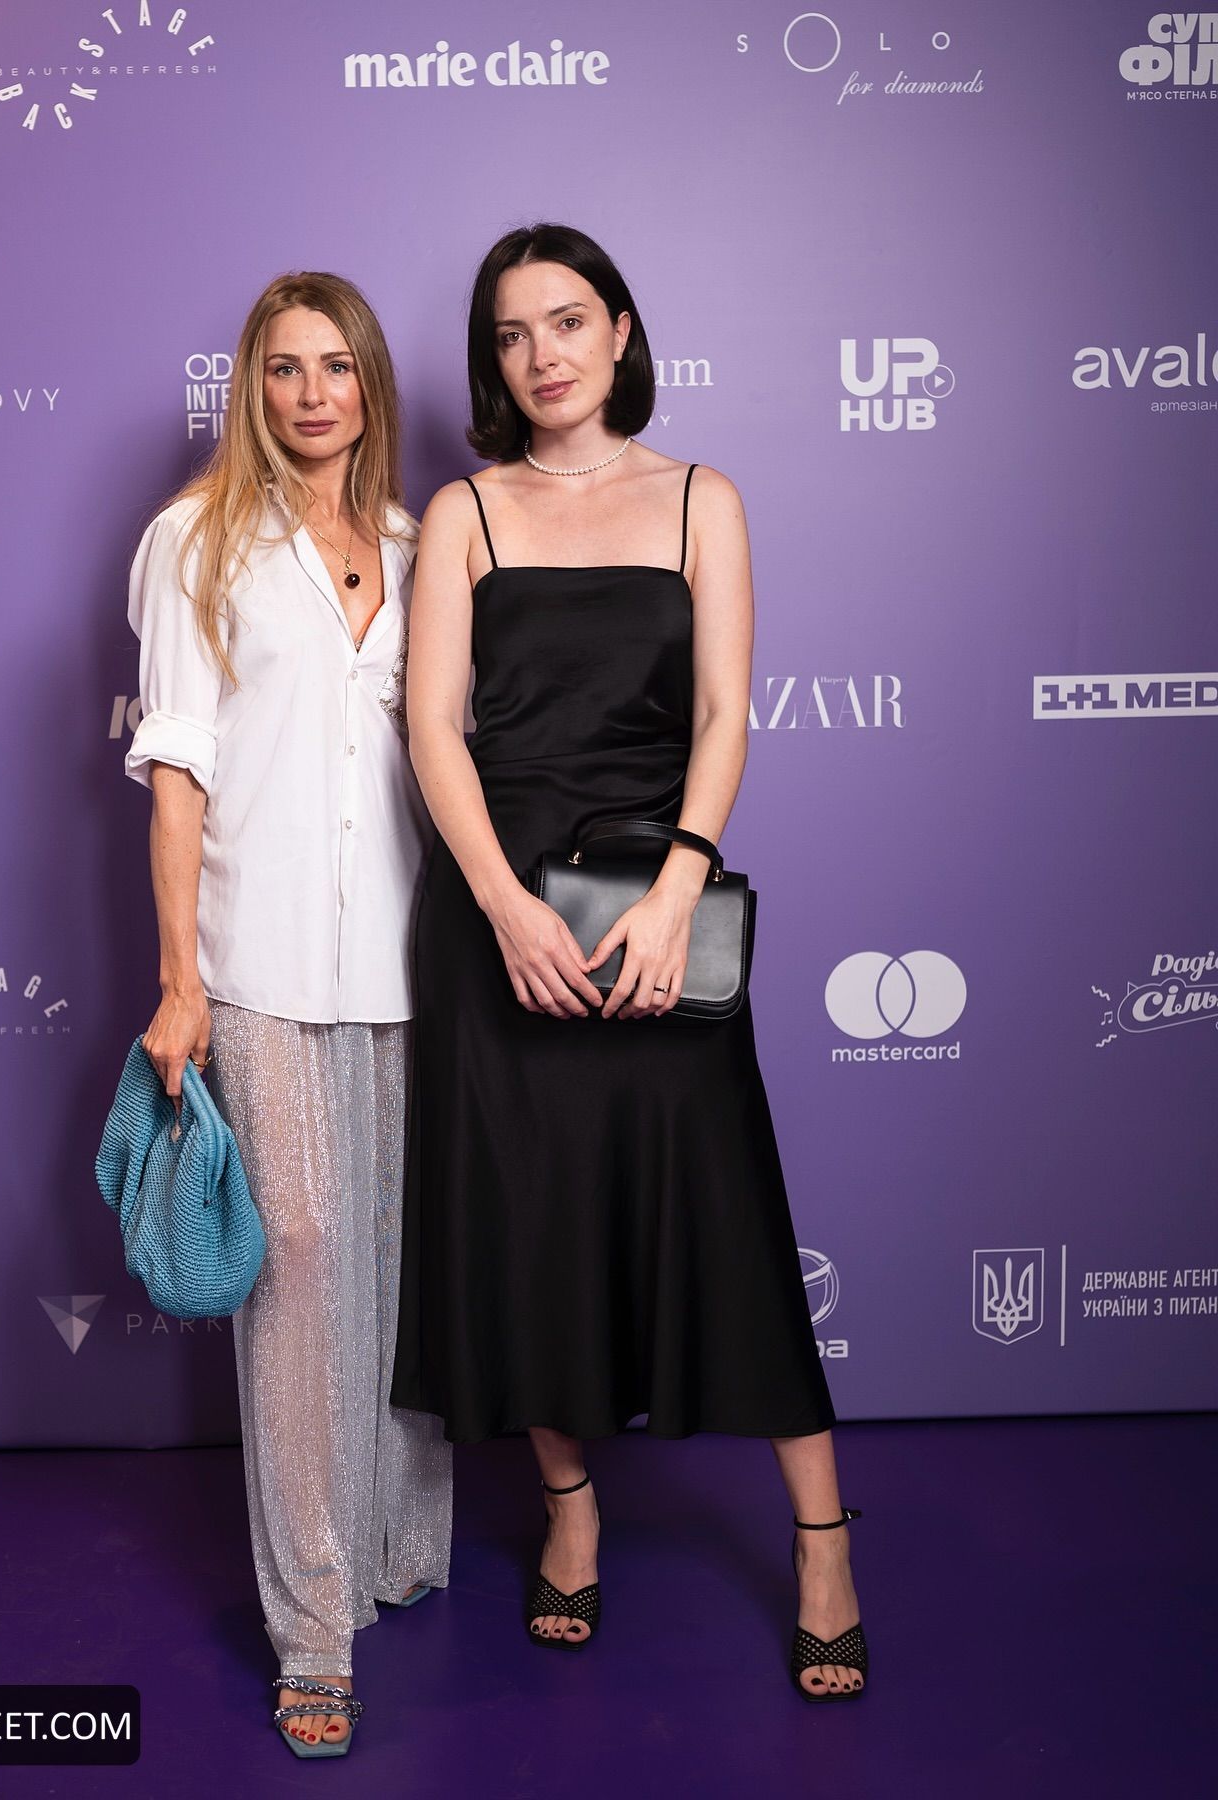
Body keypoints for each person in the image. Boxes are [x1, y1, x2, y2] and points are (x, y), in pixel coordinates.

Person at [391, 224, 868, 1701]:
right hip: (500, 916)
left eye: (567, 320)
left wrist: (676, 890)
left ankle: (825, 1545)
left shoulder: (702, 498)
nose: (542, 354)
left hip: (657, 905)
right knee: (526, 1219)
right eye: (512, 333)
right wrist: (500, 907)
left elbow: (724, 712)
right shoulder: (464, 511)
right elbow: (433, 727)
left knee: (728, 1212)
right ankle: (572, 1513)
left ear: (618, 332)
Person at [125, 272, 452, 1757]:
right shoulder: (195, 540)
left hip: (412, 966)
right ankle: (314, 1628)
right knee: (302, 1273)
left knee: (394, 1265)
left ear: (371, 383)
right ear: (248, 389)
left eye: (336, 366)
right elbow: (177, 775)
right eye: (281, 369)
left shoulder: (422, 544)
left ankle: (398, 1545)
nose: (312, 395)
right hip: (259, 965)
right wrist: (179, 980)